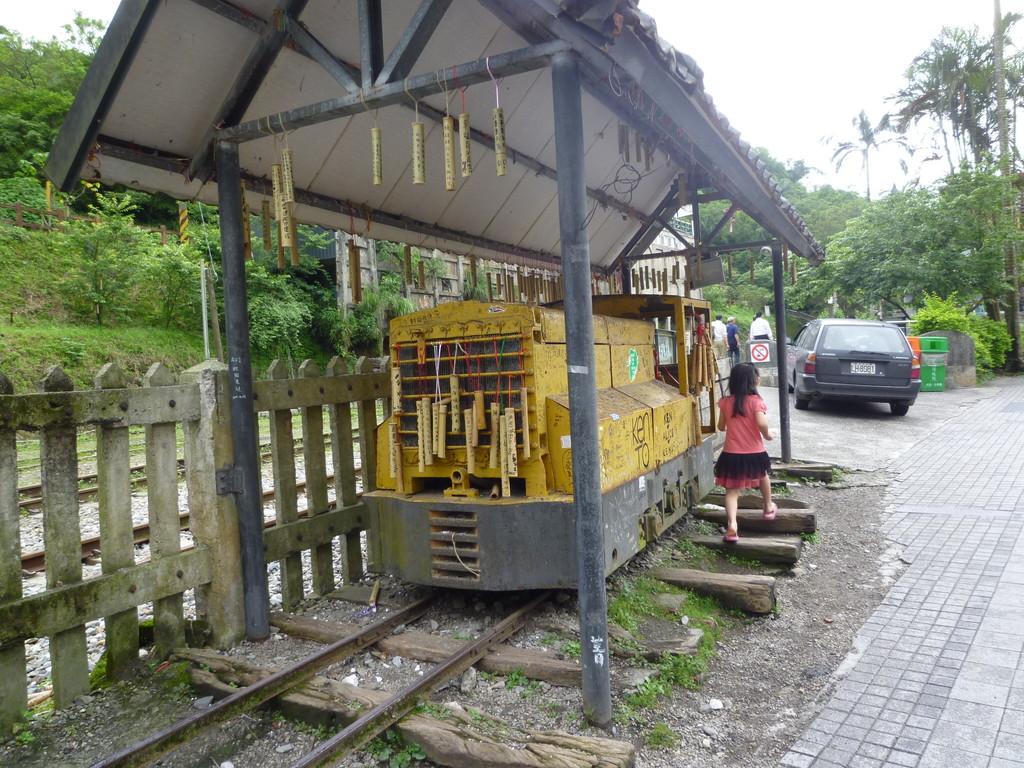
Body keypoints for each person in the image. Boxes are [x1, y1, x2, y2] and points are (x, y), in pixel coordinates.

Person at [714, 363, 776, 543]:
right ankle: (768, 507)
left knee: (732, 491)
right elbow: (761, 423)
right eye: (757, 376)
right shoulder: (756, 402)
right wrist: (768, 434)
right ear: (753, 381)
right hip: (754, 452)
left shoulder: (726, 402)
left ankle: (732, 525)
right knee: (763, 476)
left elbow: (721, 427)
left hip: (731, 453)